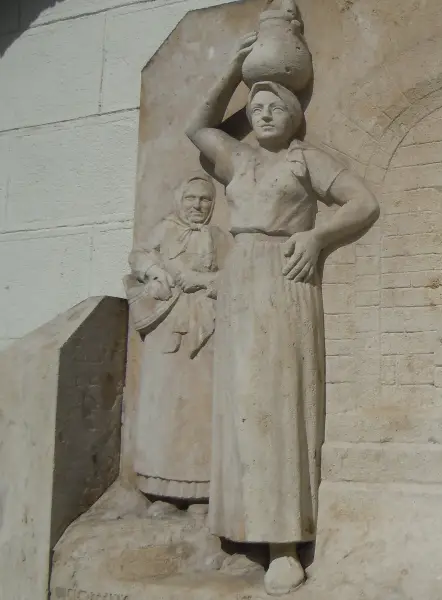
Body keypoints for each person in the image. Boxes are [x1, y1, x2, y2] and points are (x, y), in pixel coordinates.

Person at [184, 32, 380, 596]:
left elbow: (363, 202)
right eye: (259, 108)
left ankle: (284, 545)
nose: (266, 115)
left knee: (279, 406)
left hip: (284, 277)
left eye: (277, 108)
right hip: (240, 278)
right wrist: (230, 66)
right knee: (241, 404)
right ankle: (237, 527)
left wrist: (317, 238)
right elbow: (197, 126)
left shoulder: (304, 159)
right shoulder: (236, 157)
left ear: (295, 118)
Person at [126, 173, 230, 502]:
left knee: (201, 406)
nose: (198, 205)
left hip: (207, 327)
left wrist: (202, 279)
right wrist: (157, 272)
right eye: (192, 199)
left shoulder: (219, 237)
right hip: (166, 330)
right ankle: (160, 490)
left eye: (205, 200)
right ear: (180, 200)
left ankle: (201, 492)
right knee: (165, 404)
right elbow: (140, 255)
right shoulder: (165, 229)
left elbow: (234, 273)